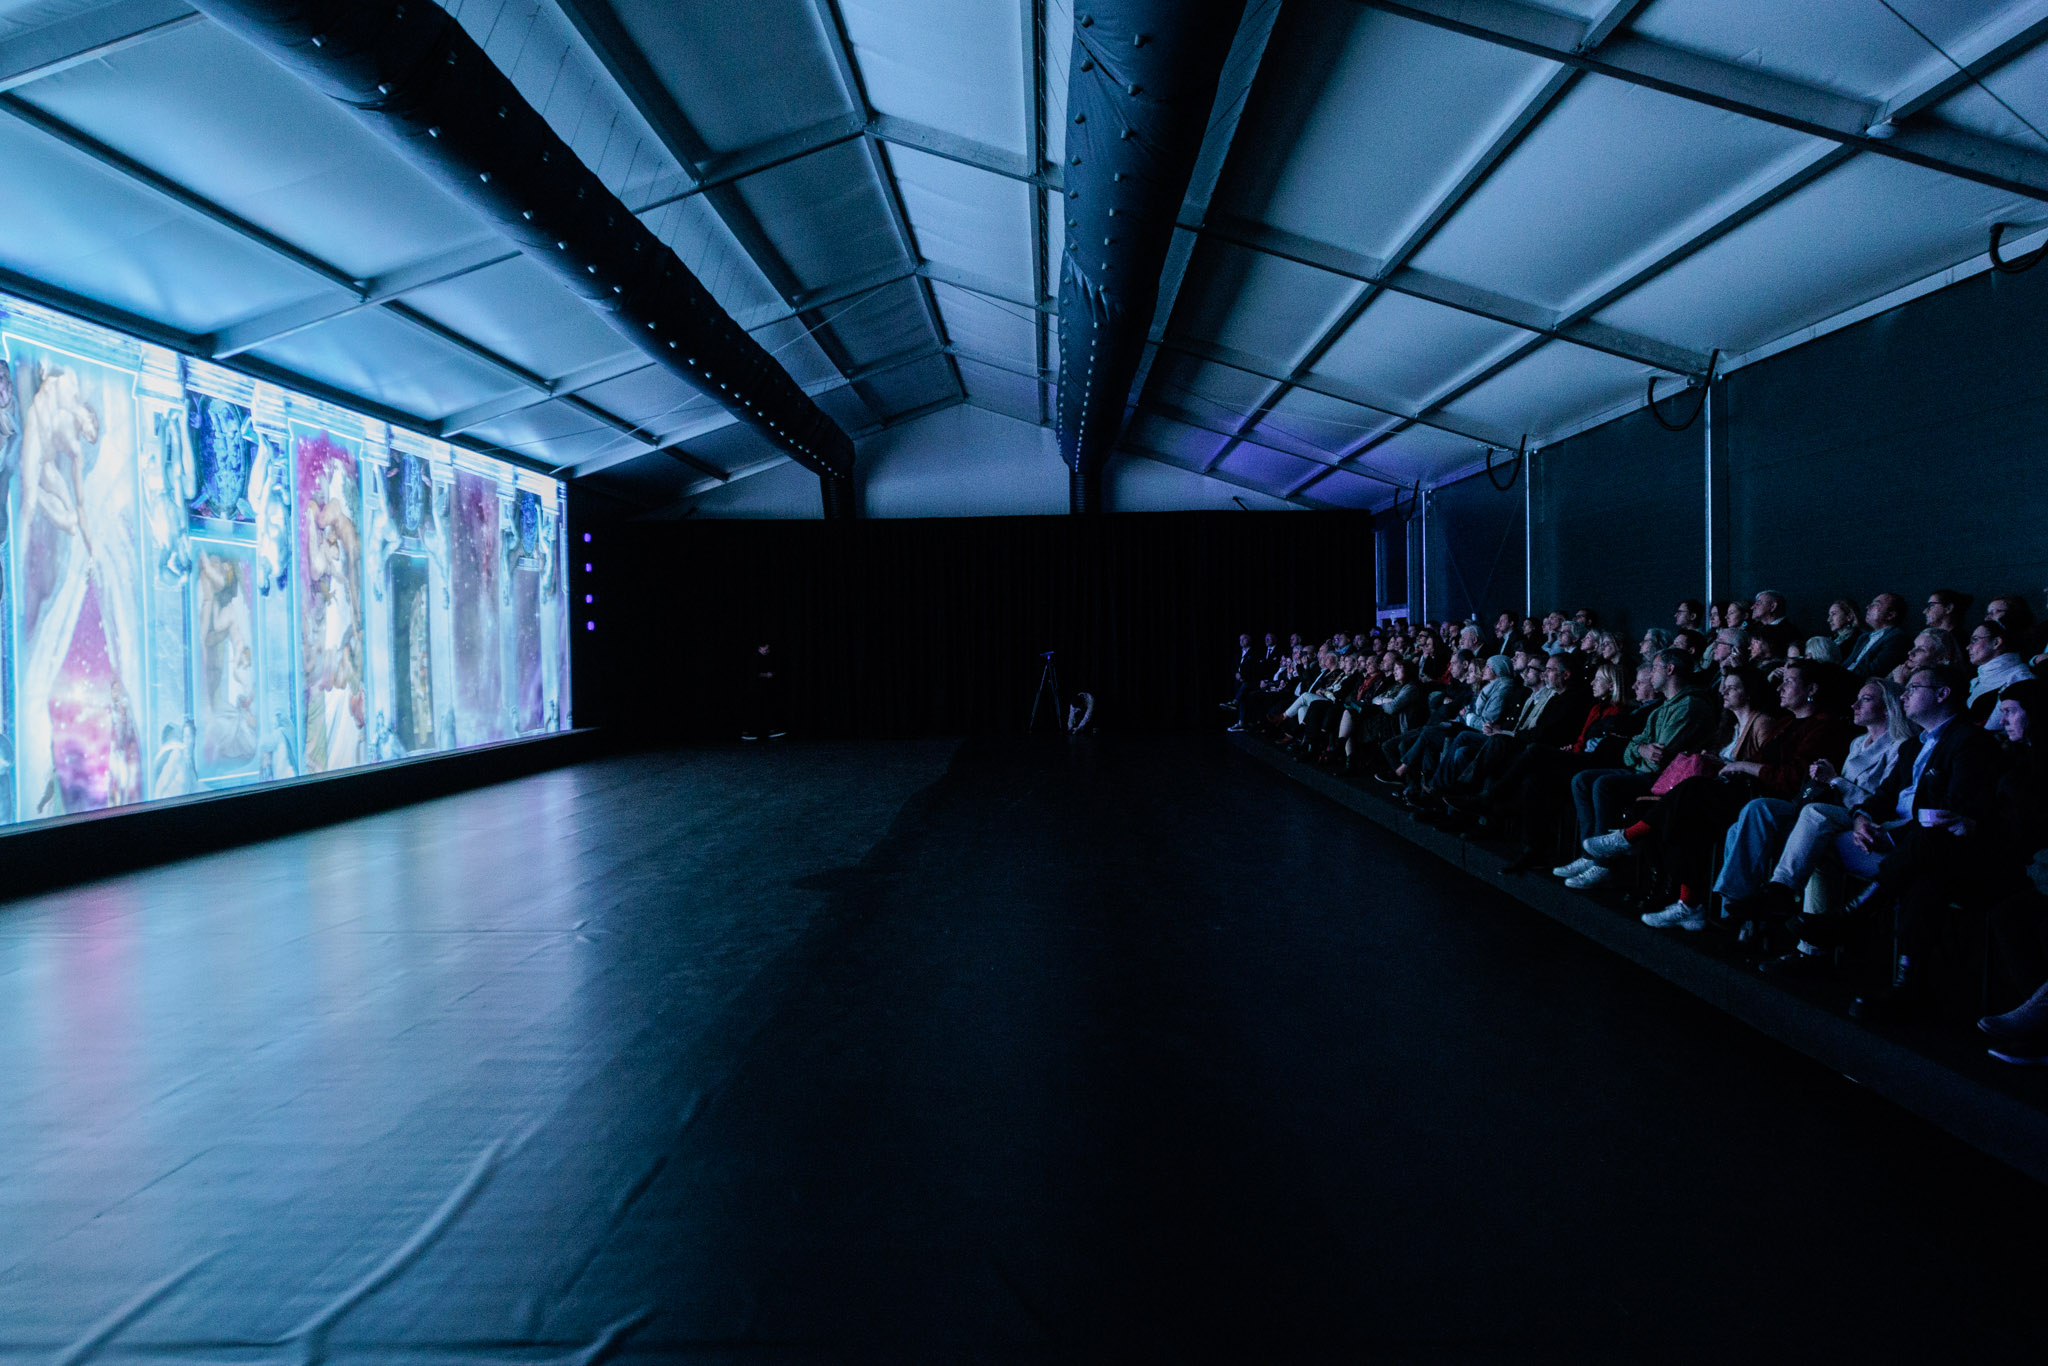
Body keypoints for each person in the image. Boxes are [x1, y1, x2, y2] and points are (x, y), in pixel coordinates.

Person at [1720, 677, 1910, 959]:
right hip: (1832, 809)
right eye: (1857, 698)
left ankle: (1781, 893)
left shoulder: (1900, 746)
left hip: (1861, 818)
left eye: (1866, 699)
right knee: (1756, 809)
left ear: (1887, 708)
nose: (1855, 705)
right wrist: (1826, 778)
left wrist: (1835, 780)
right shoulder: (1857, 743)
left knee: (1815, 818)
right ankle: (1736, 906)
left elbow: (1882, 803)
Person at [1555, 649, 1720, 890]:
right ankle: (1590, 854)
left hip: (1667, 781)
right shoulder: (1663, 707)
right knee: (1581, 780)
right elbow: (1634, 746)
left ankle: (1603, 864)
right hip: (1647, 772)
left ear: (1670, 670)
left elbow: (1658, 759)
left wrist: (1638, 752)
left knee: (1603, 784)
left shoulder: (1689, 706)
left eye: (1655, 668)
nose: (1651, 674)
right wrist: (1641, 750)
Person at [1963, 619, 2034, 728]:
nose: (1968, 647)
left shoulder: (2020, 678)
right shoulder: (1977, 680)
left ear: (1996, 643)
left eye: (1975, 640)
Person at [1843, 593, 1911, 678]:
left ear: (1890, 615)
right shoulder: (1864, 637)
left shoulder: (1897, 638)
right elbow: (1847, 663)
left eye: (1875, 604)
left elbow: (1874, 672)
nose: (1868, 607)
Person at [742, 642, 786, 741]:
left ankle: (769, 731)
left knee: (766, 710)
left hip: (763, 689)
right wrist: (767, 675)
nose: (768, 651)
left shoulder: (765, 658)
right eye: (766, 649)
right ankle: (750, 732)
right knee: (756, 710)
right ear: (760, 648)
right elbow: (753, 673)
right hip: (756, 690)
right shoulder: (755, 659)